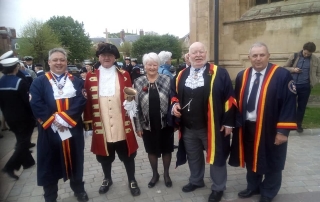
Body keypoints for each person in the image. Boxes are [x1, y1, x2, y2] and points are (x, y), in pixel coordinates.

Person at [229, 42, 297, 202]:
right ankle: (253, 186)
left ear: (268, 56)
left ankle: (268, 192)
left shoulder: (281, 75)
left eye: (262, 55)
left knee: (273, 159)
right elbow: (237, 102)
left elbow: (289, 103)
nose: (258, 59)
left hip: (271, 127)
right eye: (254, 55)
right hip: (248, 127)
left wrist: (283, 131)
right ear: (249, 58)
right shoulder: (242, 76)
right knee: (251, 157)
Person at [171, 42, 237, 202]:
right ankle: (196, 180)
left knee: (217, 156)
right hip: (188, 126)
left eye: (201, 52)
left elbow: (230, 98)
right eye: (194, 53)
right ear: (189, 55)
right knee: (193, 156)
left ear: (206, 53)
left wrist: (228, 123)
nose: (198, 55)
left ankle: (218, 187)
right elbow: (174, 94)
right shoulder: (181, 74)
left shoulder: (219, 72)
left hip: (212, 126)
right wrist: (174, 104)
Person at [29, 48, 88, 202]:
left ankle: (79, 190)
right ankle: (50, 196)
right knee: (49, 163)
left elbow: (81, 101)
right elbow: (36, 103)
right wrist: (55, 121)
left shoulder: (76, 81)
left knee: (76, 160)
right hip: (50, 131)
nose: (59, 63)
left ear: (66, 62)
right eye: (55, 60)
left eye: (62, 59)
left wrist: (65, 119)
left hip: (72, 129)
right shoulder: (39, 82)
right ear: (49, 62)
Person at [83, 43, 140, 197]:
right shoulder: (90, 76)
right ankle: (107, 178)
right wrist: (88, 125)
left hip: (121, 124)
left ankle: (132, 179)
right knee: (104, 156)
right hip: (102, 125)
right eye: (103, 55)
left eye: (110, 55)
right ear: (99, 58)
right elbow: (87, 102)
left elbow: (130, 97)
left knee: (128, 154)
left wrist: (131, 102)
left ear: (115, 58)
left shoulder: (124, 75)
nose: (106, 58)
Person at [134, 52, 174, 188]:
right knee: (151, 150)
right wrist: (138, 127)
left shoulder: (167, 79)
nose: (152, 67)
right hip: (147, 124)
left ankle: (166, 174)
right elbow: (135, 106)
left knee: (167, 149)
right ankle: (155, 174)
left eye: (154, 64)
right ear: (144, 66)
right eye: (149, 64)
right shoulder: (138, 82)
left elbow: (173, 101)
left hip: (165, 123)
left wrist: (174, 121)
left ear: (158, 65)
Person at [0, 58, 36, 180]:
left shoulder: (1, 81)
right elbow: (27, 102)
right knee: (23, 142)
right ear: (16, 67)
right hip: (23, 118)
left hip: (10, 118)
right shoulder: (20, 82)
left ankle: (27, 162)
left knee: (21, 139)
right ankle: (10, 167)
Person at [284, 42, 320, 133]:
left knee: (302, 106)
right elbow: (284, 68)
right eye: (305, 53)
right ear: (303, 49)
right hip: (292, 85)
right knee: (289, 105)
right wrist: (293, 69)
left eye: (309, 54)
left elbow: (318, 73)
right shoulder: (294, 56)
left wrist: (315, 81)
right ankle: (288, 123)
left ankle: (298, 124)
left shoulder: (315, 59)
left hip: (305, 86)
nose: (307, 55)